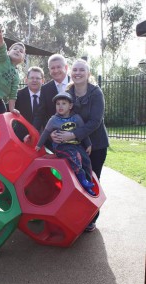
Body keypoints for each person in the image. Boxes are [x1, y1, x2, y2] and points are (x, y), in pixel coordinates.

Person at [51, 58, 109, 232]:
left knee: (92, 179)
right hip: (73, 146)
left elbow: (95, 121)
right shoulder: (68, 91)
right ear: (71, 73)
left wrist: (73, 134)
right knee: (75, 180)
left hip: (96, 144)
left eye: (81, 70)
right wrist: (54, 132)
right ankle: (75, 216)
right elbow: (60, 115)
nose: (77, 73)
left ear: (88, 73)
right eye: (75, 70)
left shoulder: (96, 93)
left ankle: (91, 218)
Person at [35, 91, 95, 196]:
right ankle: (82, 180)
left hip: (76, 145)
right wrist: (39, 145)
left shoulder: (76, 118)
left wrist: (88, 144)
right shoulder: (53, 120)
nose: (60, 106)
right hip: (61, 146)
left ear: (70, 105)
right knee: (75, 157)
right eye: (58, 104)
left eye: (64, 103)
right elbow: (46, 132)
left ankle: (88, 182)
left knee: (86, 159)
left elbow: (83, 132)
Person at [33, 54, 70, 149]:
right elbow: (41, 113)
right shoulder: (45, 89)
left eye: (59, 67)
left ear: (66, 67)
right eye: (52, 68)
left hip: (77, 138)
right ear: (49, 70)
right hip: (55, 140)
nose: (56, 70)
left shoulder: (75, 83)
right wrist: (33, 133)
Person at [14, 66, 45, 140]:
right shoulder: (17, 95)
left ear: (43, 81)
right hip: (23, 138)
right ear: (26, 80)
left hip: (46, 138)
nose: (34, 80)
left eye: (38, 78)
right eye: (31, 78)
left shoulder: (48, 94)